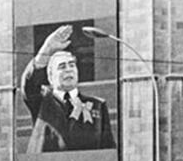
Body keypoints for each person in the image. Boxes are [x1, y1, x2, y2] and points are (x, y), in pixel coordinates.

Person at [21, 24, 115, 153]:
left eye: (72, 65)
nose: (68, 70)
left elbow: (108, 149)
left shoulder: (97, 105)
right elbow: (29, 83)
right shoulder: (42, 100)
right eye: (62, 67)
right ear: (50, 76)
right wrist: (46, 50)